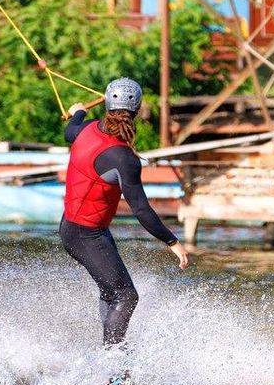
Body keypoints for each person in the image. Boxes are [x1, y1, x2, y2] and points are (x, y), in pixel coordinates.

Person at [59, 76, 190, 357]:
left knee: (111, 292)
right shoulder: (123, 158)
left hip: (76, 229)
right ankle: (113, 368)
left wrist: (79, 111)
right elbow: (141, 210)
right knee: (126, 296)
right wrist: (172, 242)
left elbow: (70, 131)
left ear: (106, 104)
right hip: (86, 235)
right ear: (138, 110)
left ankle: (108, 359)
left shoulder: (87, 129)